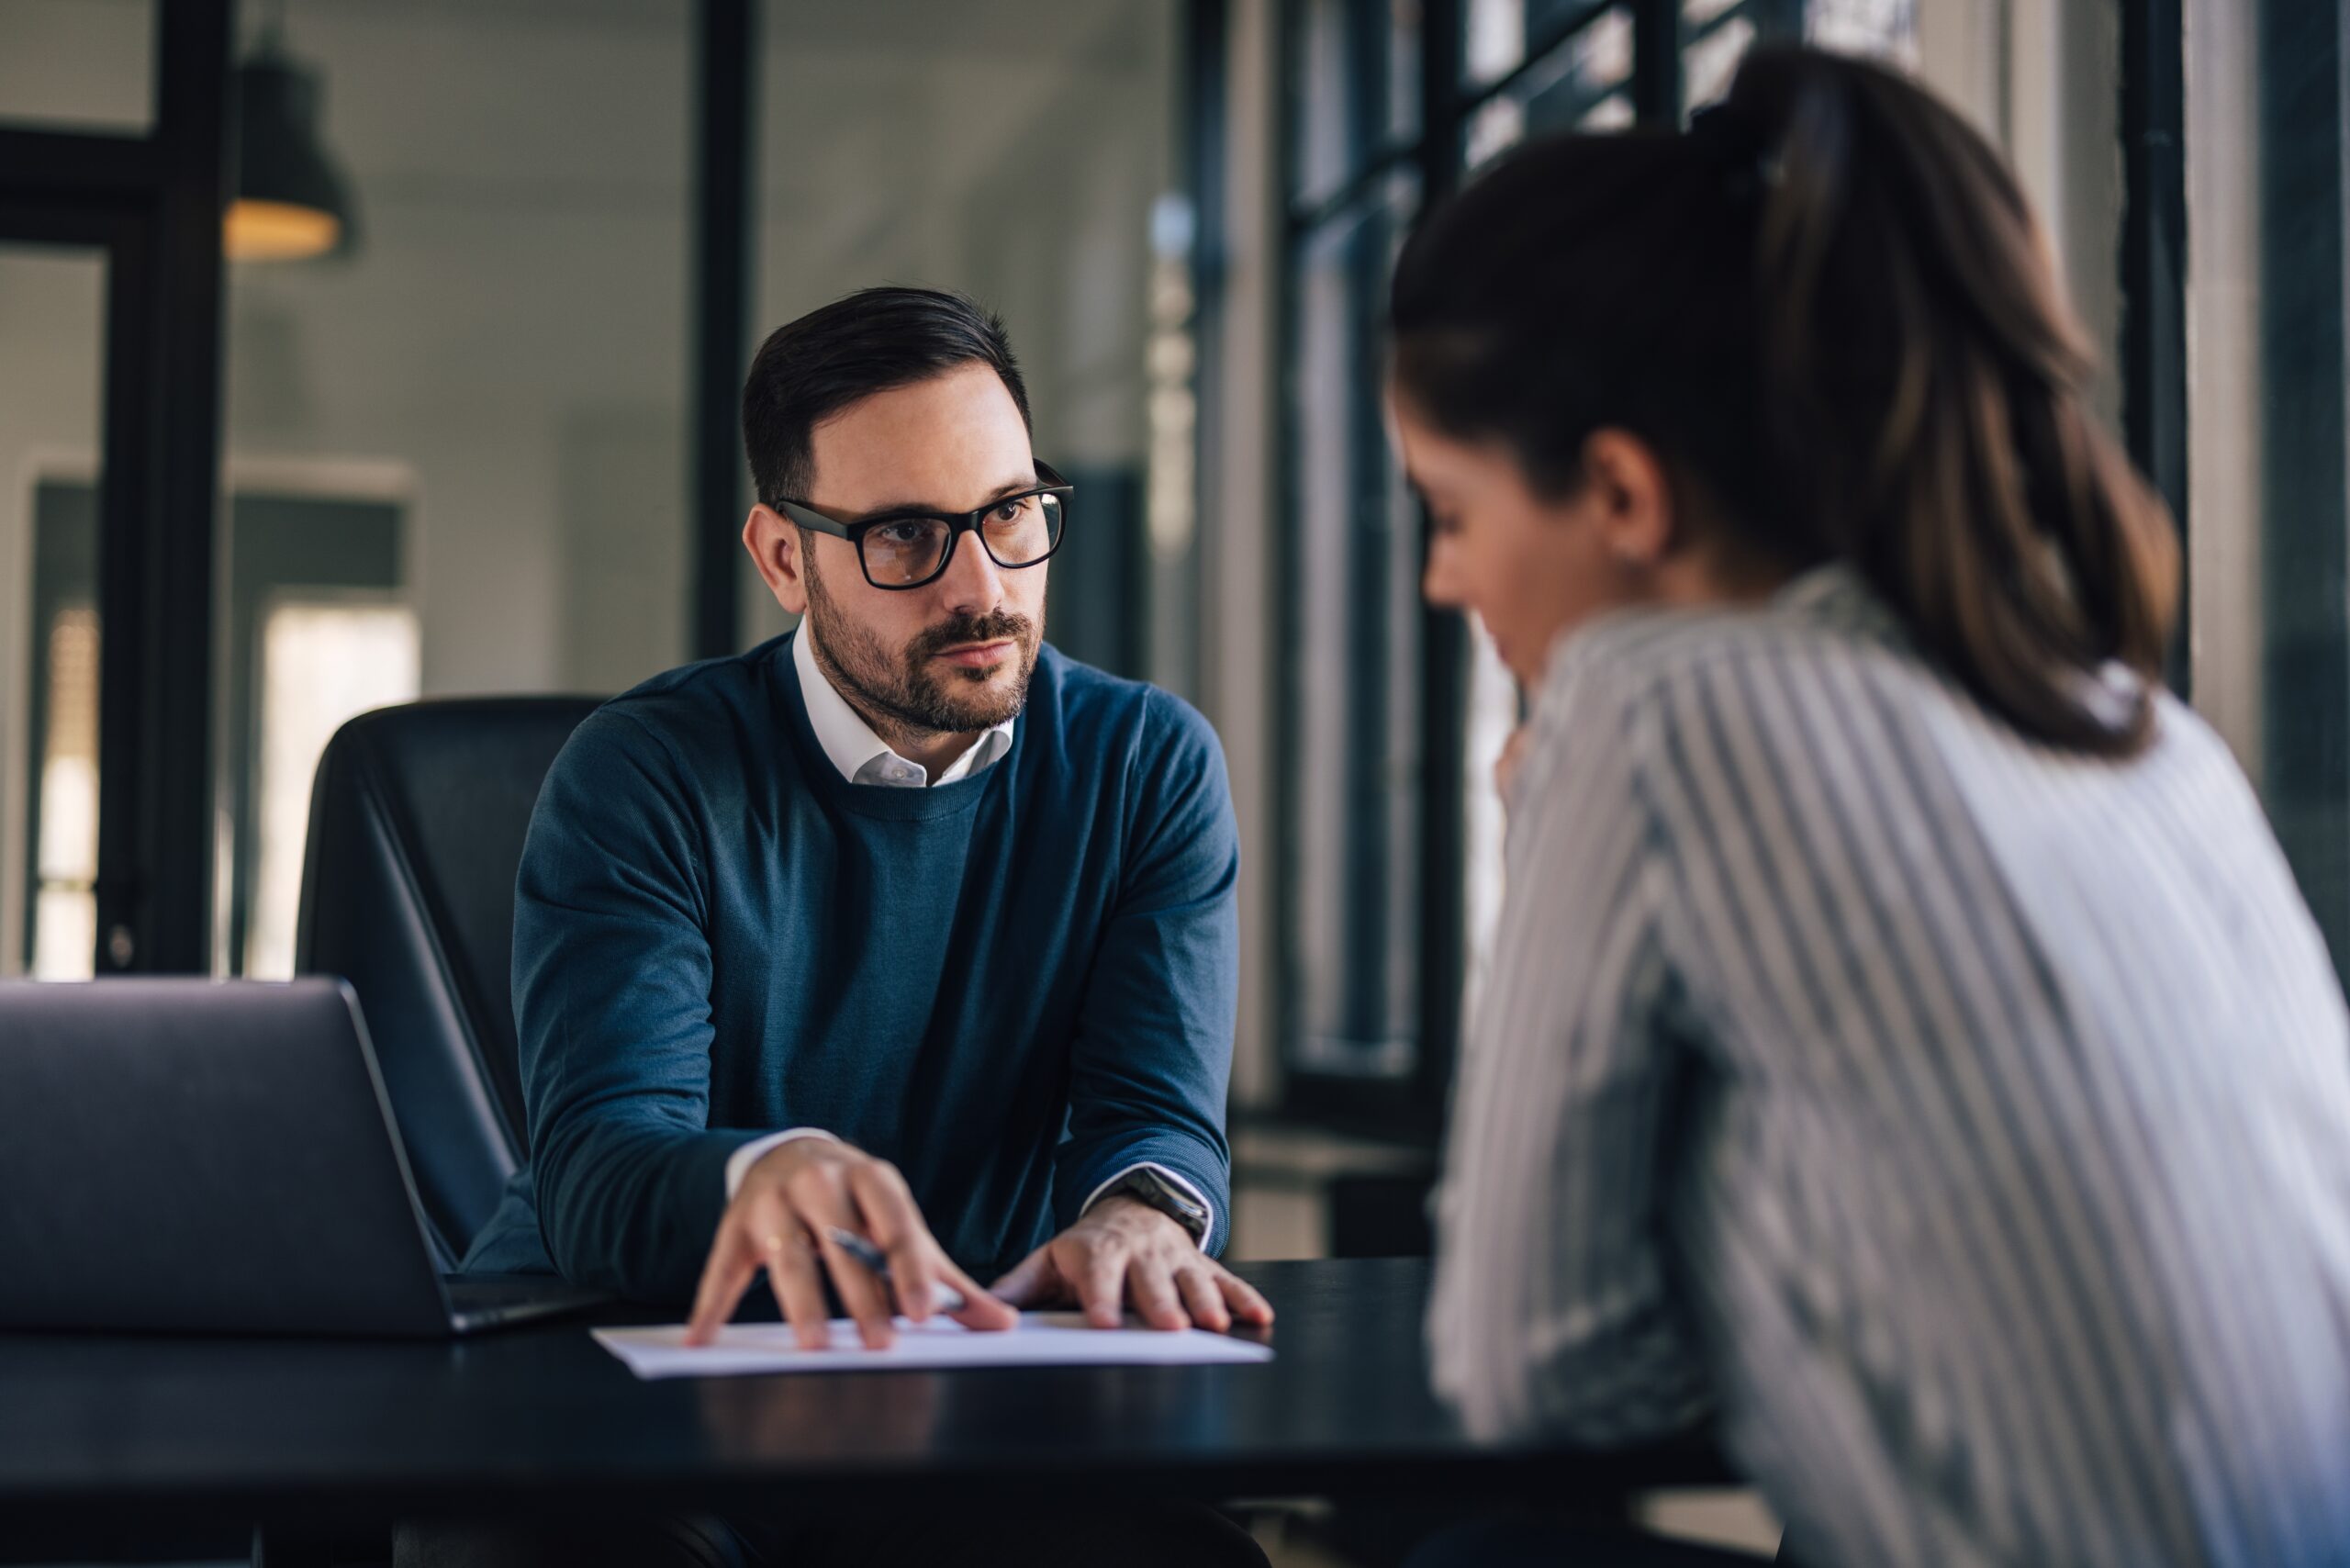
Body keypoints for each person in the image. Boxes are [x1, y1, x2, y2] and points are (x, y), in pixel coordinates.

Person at [1393, 46, 2350, 1568]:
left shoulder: (1655, 703)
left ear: (1626, 497)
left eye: (1451, 514)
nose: (1443, 580)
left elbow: (1541, 1368)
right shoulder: (2140, 730)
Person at [409, 286, 1270, 1568]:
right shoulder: (644, 774)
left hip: (951, 1399)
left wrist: (1139, 1210)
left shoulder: (1149, 767)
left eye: (1011, 513)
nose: (983, 586)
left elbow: (1156, 1113)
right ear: (781, 557)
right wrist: (765, 1170)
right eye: (909, 536)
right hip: (635, 1389)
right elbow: (598, 1169)